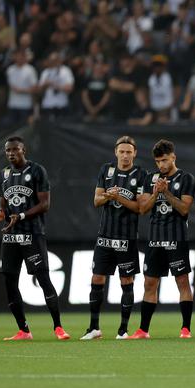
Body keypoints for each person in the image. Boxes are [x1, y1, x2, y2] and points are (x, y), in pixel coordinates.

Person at [0, 136, 70, 341]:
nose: (10, 153)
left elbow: (45, 205)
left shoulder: (37, 171)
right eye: (7, 150)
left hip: (32, 235)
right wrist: (0, 213)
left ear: (24, 150)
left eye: (15, 149)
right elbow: (3, 205)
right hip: (10, 238)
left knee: (43, 278)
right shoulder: (3, 175)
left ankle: (58, 328)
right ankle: (23, 330)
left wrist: (22, 215)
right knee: (9, 281)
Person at [80, 136, 146, 340]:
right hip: (105, 237)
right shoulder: (106, 171)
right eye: (122, 151)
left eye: (129, 152)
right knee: (96, 278)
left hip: (127, 238)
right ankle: (93, 328)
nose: (125, 155)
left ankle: (123, 330)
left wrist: (119, 198)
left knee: (126, 280)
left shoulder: (141, 174)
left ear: (134, 153)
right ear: (116, 152)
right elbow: (96, 201)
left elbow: (141, 207)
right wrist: (108, 196)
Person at [129, 140, 195, 339]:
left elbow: (184, 209)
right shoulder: (150, 179)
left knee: (182, 281)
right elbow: (142, 208)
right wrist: (156, 192)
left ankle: (186, 329)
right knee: (149, 284)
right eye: (158, 161)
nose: (161, 165)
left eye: (164, 160)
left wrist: (166, 192)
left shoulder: (186, 178)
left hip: (176, 239)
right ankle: (143, 330)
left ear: (173, 157)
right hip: (155, 240)